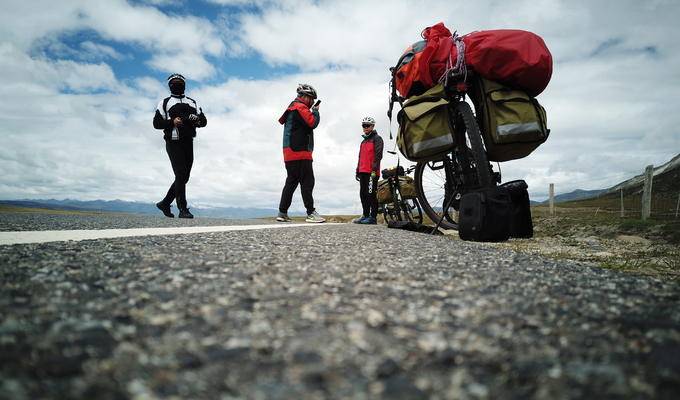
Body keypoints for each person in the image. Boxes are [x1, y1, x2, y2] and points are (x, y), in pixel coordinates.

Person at [152, 73, 207, 219]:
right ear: (170, 85)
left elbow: (204, 121)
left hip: (189, 141)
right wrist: (172, 122)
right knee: (181, 174)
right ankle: (182, 209)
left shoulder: (192, 102)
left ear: (184, 84)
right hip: (173, 141)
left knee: (184, 176)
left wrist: (196, 120)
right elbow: (156, 124)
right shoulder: (164, 102)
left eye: (180, 81)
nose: (177, 83)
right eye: (174, 82)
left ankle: (165, 203)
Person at [276, 84, 325, 223]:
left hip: (289, 152)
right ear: (304, 97)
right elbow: (312, 123)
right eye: (311, 99)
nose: (311, 102)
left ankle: (282, 212)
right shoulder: (300, 107)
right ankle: (311, 213)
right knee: (307, 181)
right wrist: (315, 112)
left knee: (291, 182)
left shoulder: (292, 107)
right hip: (300, 152)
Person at [354, 116, 383, 224]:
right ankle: (365, 215)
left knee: (371, 194)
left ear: (372, 126)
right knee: (363, 194)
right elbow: (360, 157)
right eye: (363, 125)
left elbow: (378, 155)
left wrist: (374, 170)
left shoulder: (377, 139)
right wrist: (357, 170)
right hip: (362, 171)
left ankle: (373, 217)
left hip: (372, 172)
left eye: (367, 125)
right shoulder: (363, 142)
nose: (365, 127)